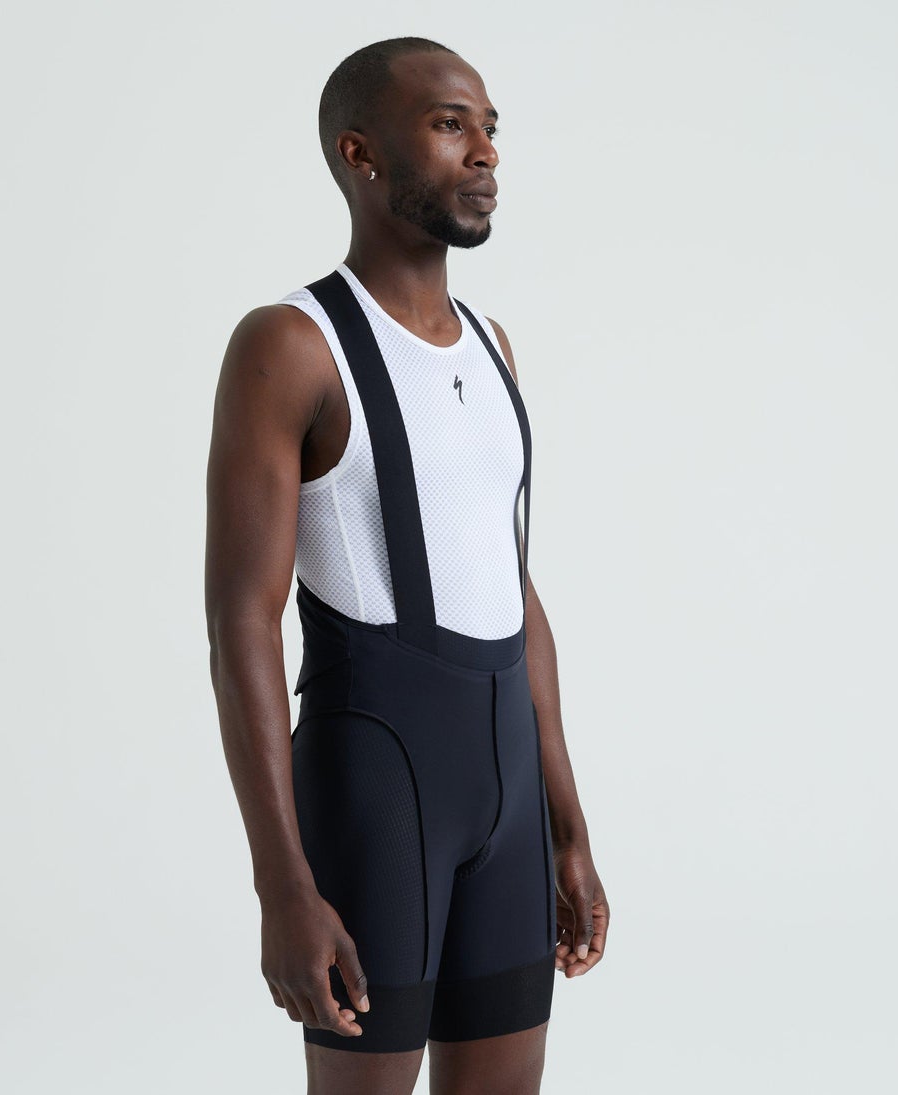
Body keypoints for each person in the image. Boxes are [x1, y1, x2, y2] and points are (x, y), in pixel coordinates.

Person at [204, 37, 608, 1094]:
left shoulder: (492, 345)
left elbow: (515, 594)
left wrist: (566, 826)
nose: (484, 152)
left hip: (509, 801)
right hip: (378, 789)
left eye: (489, 129)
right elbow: (241, 622)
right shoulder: (292, 345)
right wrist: (280, 884)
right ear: (360, 154)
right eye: (448, 124)